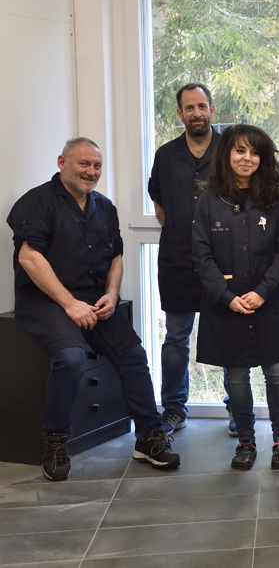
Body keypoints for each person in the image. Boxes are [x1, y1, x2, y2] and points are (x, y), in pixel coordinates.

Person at [7, 138, 181, 481]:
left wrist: (112, 294)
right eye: (83, 164)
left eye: (97, 166)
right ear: (62, 162)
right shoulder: (37, 202)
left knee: (134, 355)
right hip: (47, 302)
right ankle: (55, 441)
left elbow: (115, 256)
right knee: (71, 358)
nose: (91, 172)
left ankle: (148, 437)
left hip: (96, 301)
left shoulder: (104, 206)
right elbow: (29, 256)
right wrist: (69, 304)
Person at [192, 125, 279, 471]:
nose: (247, 158)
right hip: (226, 305)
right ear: (227, 156)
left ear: (262, 158)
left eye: (253, 152)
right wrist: (226, 296)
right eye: (239, 151)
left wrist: (262, 292)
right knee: (236, 375)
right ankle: (246, 442)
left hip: (267, 301)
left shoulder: (275, 198)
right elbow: (201, 256)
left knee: (276, 373)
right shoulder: (208, 200)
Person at [148, 83, 222, 434]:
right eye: (189, 108)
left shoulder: (229, 150)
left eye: (202, 106)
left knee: (227, 332)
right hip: (177, 259)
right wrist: (182, 232)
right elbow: (159, 202)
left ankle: (236, 408)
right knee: (176, 336)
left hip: (223, 261)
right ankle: (174, 407)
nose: (196, 113)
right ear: (180, 114)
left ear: (211, 109)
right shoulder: (165, 155)